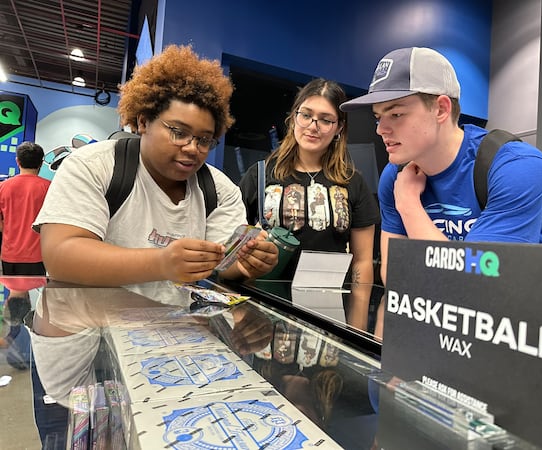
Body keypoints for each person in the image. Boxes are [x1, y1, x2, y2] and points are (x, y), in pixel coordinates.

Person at [339, 47, 542, 339]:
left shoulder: (516, 166)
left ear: (441, 109)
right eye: (378, 117)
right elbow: (397, 279)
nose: (381, 129)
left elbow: (478, 289)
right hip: (448, 326)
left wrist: (410, 206)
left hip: (529, 331)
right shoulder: (395, 176)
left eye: (395, 113)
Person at [33, 44, 278, 306]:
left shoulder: (219, 190)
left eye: (205, 140)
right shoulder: (93, 166)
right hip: (88, 330)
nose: (193, 148)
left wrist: (248, 264)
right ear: (143, 122)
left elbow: (225, 264)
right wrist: (161, 262)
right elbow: (61, 257)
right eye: (178, 132)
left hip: (172, 335)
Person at [239, 78, 380, 331]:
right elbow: (235, 247)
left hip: (328, 319)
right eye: (306, 115)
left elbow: (362, 262)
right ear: (294, 117)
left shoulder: (353, 183)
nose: (313, 126)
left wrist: (357, 333)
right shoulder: (259, 175)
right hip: (263, 316)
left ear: (339, 128)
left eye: (326, 119)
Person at [0, 141, 50, 275]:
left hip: (10, 254)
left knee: (15, 293)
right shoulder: (50, 188)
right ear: (40, 163)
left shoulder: (3, 187)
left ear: (18, 161)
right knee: (35, 292)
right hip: (38, 255)